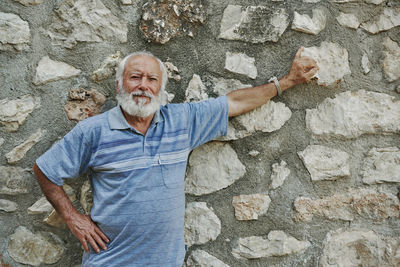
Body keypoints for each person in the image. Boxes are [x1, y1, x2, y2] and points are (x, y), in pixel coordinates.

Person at [33, 48, 317, 266]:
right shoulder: (93, 131)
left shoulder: (180, 122)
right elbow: (45, 170)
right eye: (135, 77)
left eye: (151, 79)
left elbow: (236, 102)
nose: (143, 85)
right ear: (120, 85)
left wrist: (287, 82)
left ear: (160, 88)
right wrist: (72, 218)